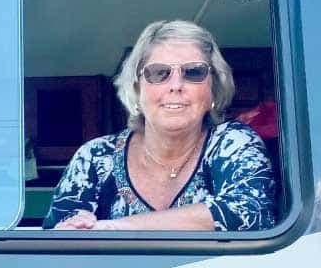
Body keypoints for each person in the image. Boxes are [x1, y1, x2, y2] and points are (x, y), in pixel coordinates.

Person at [43, 20, 276, 231]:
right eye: (158, 73)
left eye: (193, 72)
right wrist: (75, 225)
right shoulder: (94, 156)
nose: (175, 85)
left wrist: (118, 228)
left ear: (213, 88)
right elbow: (57, 241)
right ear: (136, 89)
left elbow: (250, 212)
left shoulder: (232, 141)